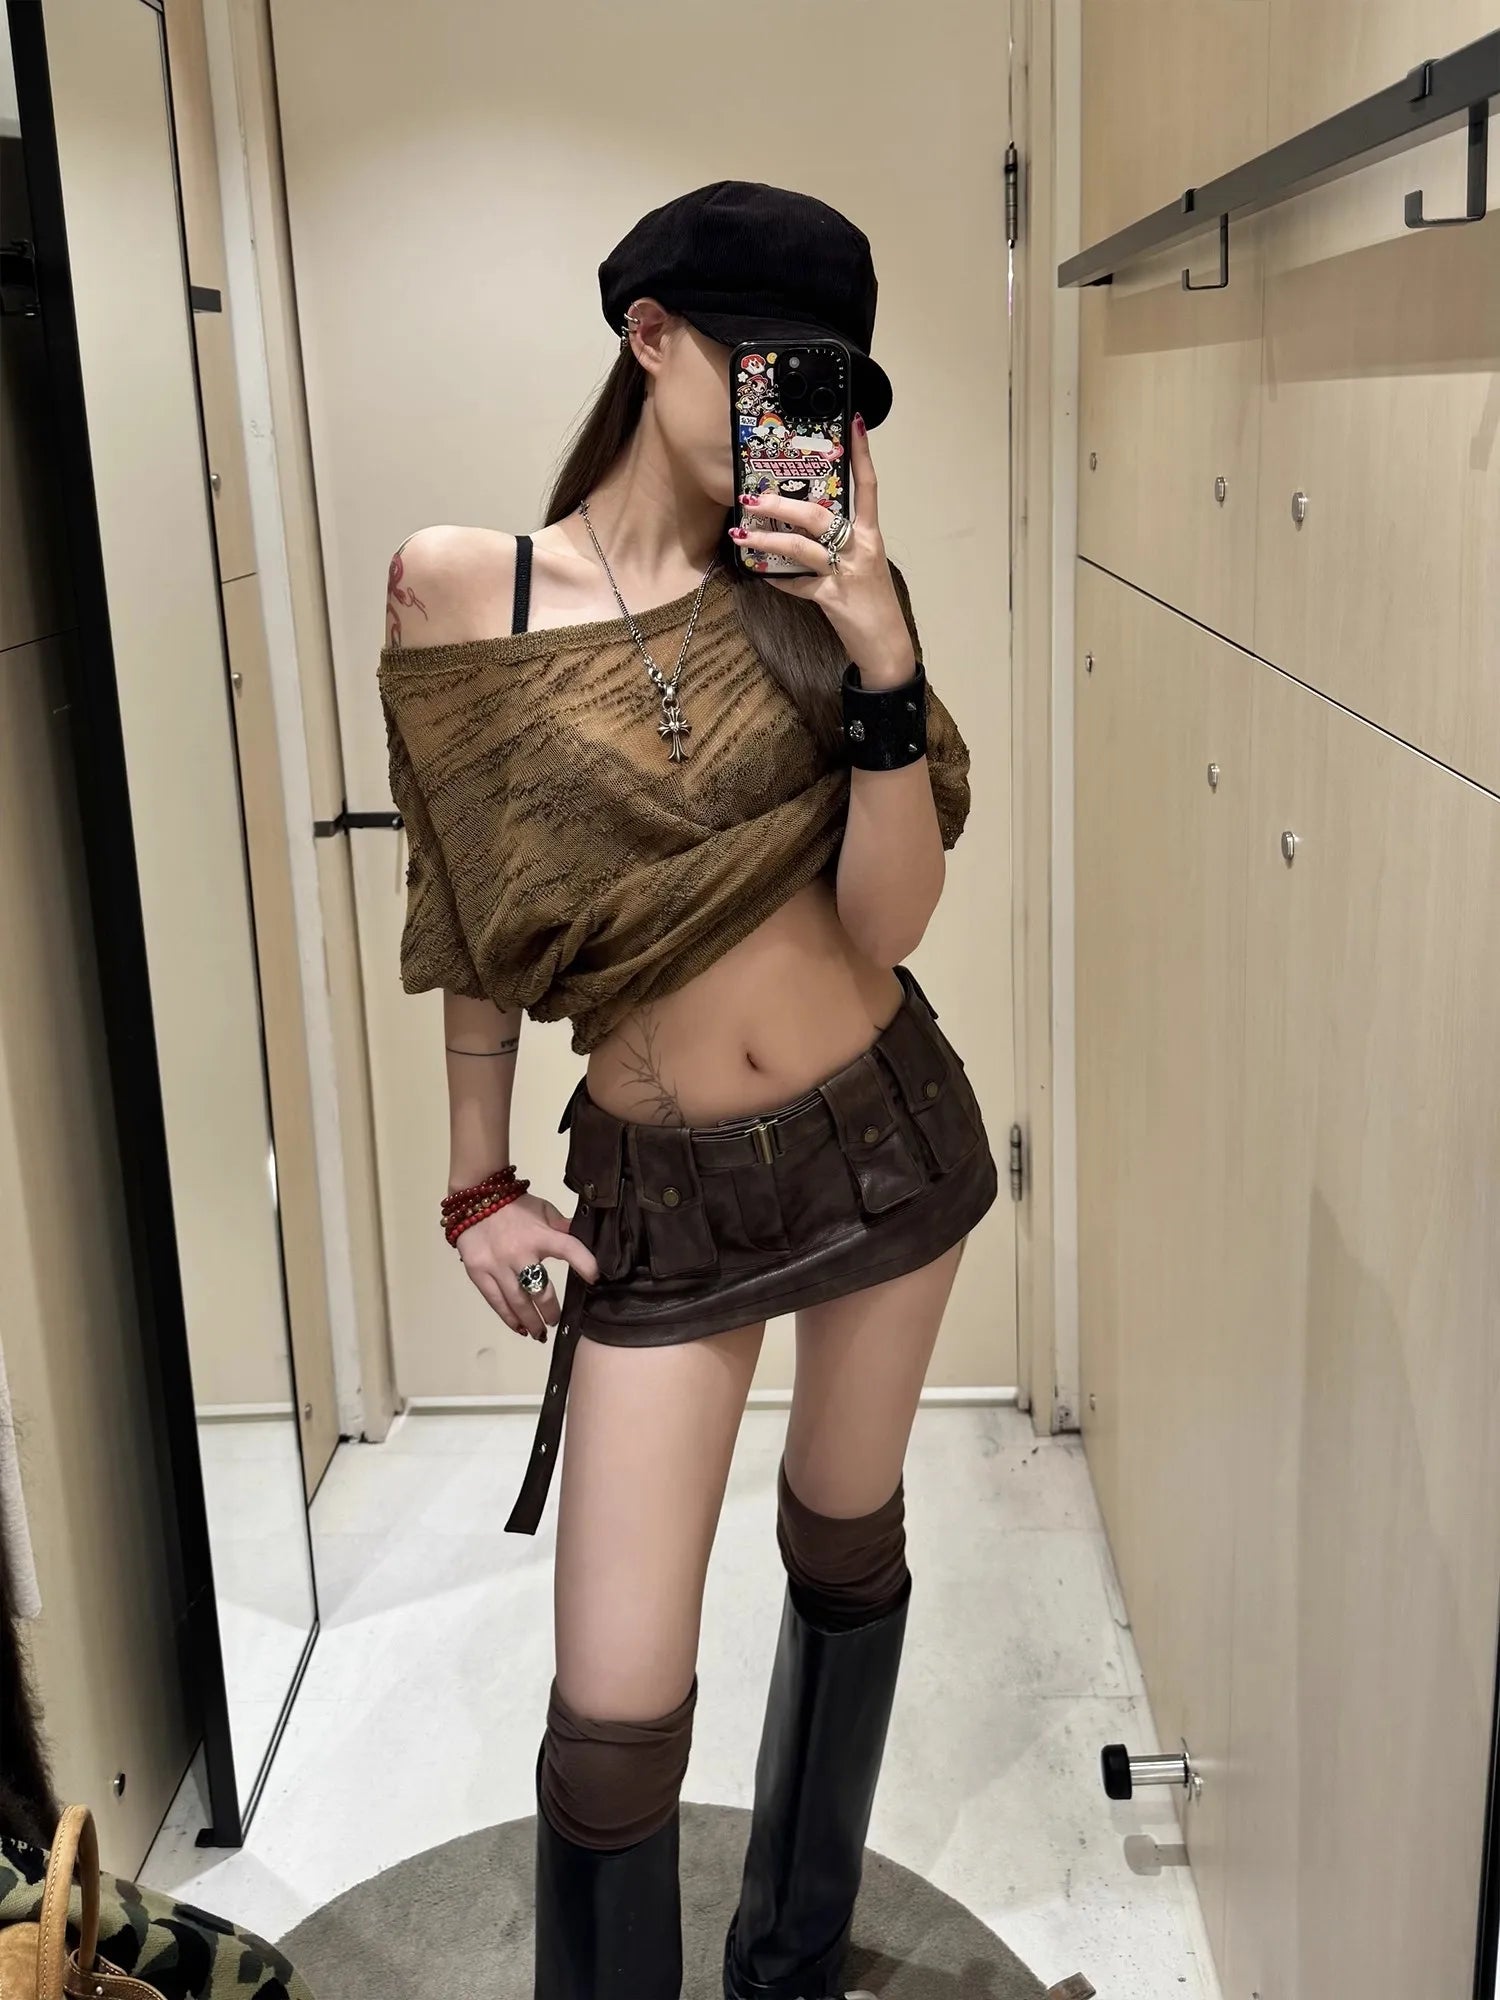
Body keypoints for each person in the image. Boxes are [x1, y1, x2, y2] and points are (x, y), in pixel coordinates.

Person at [378, 180, 998, 2000]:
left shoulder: (823, 597)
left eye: (830, 392)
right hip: (664, 1195)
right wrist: (478, 1176)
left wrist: (881, 656)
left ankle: (789, 1964)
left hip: (886, 1148)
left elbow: (886, 919)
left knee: (844, 1548)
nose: (796, 418)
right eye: (765, 368)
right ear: (647, 334)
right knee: (613, 1721)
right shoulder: (464, 589)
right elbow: (470, 906)